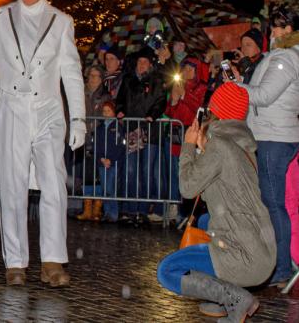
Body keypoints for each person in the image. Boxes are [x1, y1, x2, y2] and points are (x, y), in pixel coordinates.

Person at [0, 0, 85, 287]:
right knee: (12, 185)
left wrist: (79, 119)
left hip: (48, 111)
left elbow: (72, 74)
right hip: (11, 109)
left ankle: (53, 261)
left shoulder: (61, 22)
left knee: (54, 184)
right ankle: (15, 262)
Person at [157, 83, 275, 321]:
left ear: (214, 111)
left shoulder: (220, 147)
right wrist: (204, 149)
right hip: (263, 253)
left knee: (167, 271)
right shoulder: (243, 148)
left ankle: (235, 297)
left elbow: (188, 188)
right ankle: (220, 298)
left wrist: (189, 146)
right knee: (205, 219)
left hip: (242, 255)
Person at [230, 6, 299, 286]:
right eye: (273, 27)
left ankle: (282, 268)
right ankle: (278, 263)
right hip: (272, 136)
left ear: (291, 31)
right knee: (273, 203)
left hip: (275, 138)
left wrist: (238, 89)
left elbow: (265, 96)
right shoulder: (279, 56)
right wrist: (241, 83)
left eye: (280, 27)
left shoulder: (285, 58)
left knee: (274, 204)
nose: (274, 32)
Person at [115, 47, 167, 223]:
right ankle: (130, 208)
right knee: (130, 169)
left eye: (145, 62)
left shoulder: (156, 80)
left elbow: (161, 100)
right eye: (139, 62)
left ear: (150, 64)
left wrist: (152, 114)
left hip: (149, 132)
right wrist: (120, 110)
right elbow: (120, 100)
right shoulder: (128, 80)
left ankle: (143, 209)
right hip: (131, 130)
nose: (142, 65)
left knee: (146, 171)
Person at [164, 56, 208, 222]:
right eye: (185, 68)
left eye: (191, 69)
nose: (187, 72)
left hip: (191, 134)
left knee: (189, 172)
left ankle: (187, 211)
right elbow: (169, 112)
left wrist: (184, 95)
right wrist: (174, 101)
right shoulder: (178, 85)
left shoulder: (201, 87)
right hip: (176, 134)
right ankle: (175, 206)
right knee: (174, 173)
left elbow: (200, 107)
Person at [76, 65, 110, 221]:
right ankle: (87, 206)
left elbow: (104, 114)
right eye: (91, 75)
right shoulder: (82, 92)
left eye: (96, 76)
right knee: (86, 173)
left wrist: (92, 124)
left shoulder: (105, 95)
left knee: (98, 174)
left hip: (98, 137)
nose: (92, 78)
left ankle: (97, 207)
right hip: (84, 136)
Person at [94, 101, 126, 222]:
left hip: (113, 163)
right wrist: (101, 158)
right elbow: (96, 145)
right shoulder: (100, 128)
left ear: (113, 112)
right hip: (102, 162)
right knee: (104, 187)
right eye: (104, 111)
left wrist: (111, 159)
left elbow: (120, 146)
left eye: (108, 111)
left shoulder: (118, 127)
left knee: (110, 187)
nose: (106, 113)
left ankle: (113, 213)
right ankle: (108, 212)